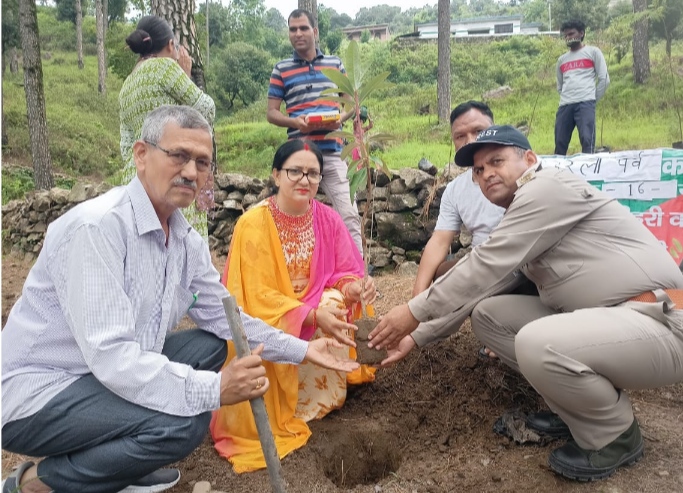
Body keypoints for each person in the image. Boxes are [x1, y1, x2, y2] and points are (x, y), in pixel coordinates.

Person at [1, 106, 359, 493]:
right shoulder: (97, 229)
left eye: (202, 162)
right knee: (184, 422)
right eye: (179, 156)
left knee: (211, 344)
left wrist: (302, 350)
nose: (191, 171)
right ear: (141, 155)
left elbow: (229, 318)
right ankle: (39, 484)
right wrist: (212, 389)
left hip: (103, 376)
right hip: (43, 393)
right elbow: (111, 357)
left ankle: (118, 464)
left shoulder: (184, 239)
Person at [368, 125, 683, 481]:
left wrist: (412, 312)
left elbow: (483, 264)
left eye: (497, 161)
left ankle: (614, 435)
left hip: (661, 320)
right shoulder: (525, 215)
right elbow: (487, 286)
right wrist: (417, 335)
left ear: (530, 160)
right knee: (490, 316)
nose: (487, 174)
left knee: (537, 342)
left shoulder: (547, 189)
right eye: (478, 171)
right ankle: (576, 411)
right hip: (618, 323)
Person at [210, 140, 377, 473]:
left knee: (335, 300)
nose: (305, 180)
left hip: (315, 302)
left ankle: (318, 402)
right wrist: (309, 314)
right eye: (295, 171)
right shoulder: (252, 224)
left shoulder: (328, 218)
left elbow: (344, 272)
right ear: (276, 175)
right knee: (321, 308)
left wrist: (354, 287)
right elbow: (254, 296)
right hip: (273, 311)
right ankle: (287, 405)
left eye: (313, 173)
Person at [267, 9, 362, 254]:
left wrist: (340, 118)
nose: (297, 33)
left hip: (332, 153)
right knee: (292, 217)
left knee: (349, 215)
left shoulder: (335, 64)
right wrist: (296, 122)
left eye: (303, 28)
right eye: (292, 29)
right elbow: (272, 113)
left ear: (315, 31)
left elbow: (352, 104)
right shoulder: (281, 69)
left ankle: (359, 279)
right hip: (299, 157)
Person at [119, 15, 215, 240]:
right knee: (179, 246)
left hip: (136, 178)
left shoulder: (128, 83)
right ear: (171, 45)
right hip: (173, 173)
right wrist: (186, 77)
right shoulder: (166, 68)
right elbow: (206, 110)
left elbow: (125, 145)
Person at [412, 101, 504, 296]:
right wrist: (416, 299)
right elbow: (439, 242)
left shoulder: (515, 174)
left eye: (478, 131)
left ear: (494, 130)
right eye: (460, 136)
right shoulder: (456, 190)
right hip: (480, 263)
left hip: (517, 261)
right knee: (441, 272)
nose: (470, 141)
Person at [554, 19, 610, 155]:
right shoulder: (561, 60)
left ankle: (588, 173)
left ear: (581, 33)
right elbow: (560, 86)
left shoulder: (593, 52)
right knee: (560, 143)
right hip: (565, 106)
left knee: (587, 141)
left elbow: (604, 79)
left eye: (571, 33)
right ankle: (557, 174)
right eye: (566, 35)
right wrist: (568, 97)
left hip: (585, 103)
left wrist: (591, 99)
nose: (568, 37)